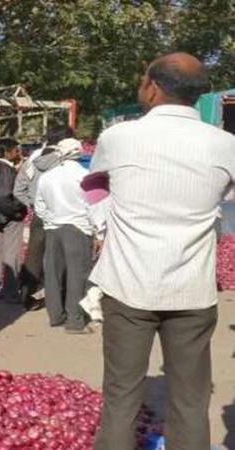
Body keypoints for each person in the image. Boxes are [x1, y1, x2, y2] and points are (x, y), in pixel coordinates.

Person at [90, 53, 235, 450]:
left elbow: (95, 187)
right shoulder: (226, 145)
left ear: (152, 86)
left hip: (128, 287)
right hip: (192, 291)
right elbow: (228, 196)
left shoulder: (118, 138)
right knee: (190, 402)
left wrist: (108, 224)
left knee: (121, 401)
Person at [33, 138, 94, 334]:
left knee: (53, 273)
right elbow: (95, 206)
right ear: (79, 152)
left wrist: (51, 218)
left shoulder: (47, 177)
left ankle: (55, 315)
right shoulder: (85, 176)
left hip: (53, 228)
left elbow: (39, 206)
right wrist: (98, 230)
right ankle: (75, 320)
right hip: (79, 228)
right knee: (77, 274)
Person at [13, 125, 76, 311]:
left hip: (40, 215)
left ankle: (27, 295)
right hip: (63, 214)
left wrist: (33, 204)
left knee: (34, 254)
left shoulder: (32, 159)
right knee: (62, 257)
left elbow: (18, 189)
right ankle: (60, 300)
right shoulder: (67, 160)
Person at [0, 139, 27, 300]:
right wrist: (16, 212)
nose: (19, 153)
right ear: (7, 153)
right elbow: (3, 197)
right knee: (12, 254)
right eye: (16, 150)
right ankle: (10, 292)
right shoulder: (5, 170)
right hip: (8, 217)